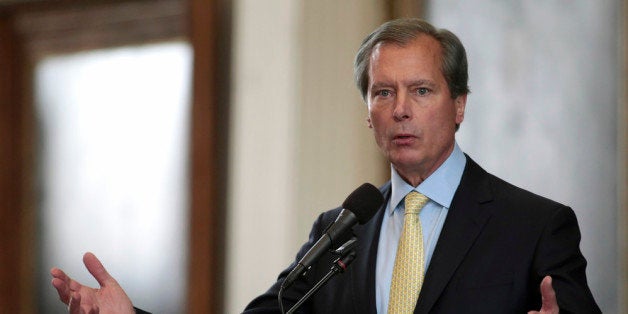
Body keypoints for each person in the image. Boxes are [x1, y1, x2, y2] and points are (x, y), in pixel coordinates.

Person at [51, 18, 600, 313]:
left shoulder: (533, 227)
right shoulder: (341, 231)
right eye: (383, 93)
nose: (401, 109)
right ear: (368, 114)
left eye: (422, 90)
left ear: (459, 105)